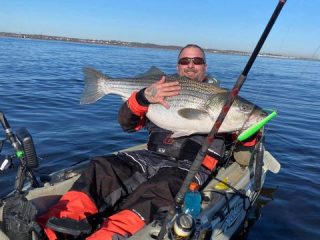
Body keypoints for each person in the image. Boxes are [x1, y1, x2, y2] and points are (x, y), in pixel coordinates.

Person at [35, 44, 224, 240]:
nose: (190, 65)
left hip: (189, 166)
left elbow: (246, 141)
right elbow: (127, 124)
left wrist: (250, 130)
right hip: (151, 156)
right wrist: (142, 98)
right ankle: (49, 230)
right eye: (185, 61)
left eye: (197, 61)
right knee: (102, 168)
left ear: (205, 66)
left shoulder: (224, 98)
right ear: (178, 66)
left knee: (158, 191)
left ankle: (106, 236)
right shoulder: (159, 87)